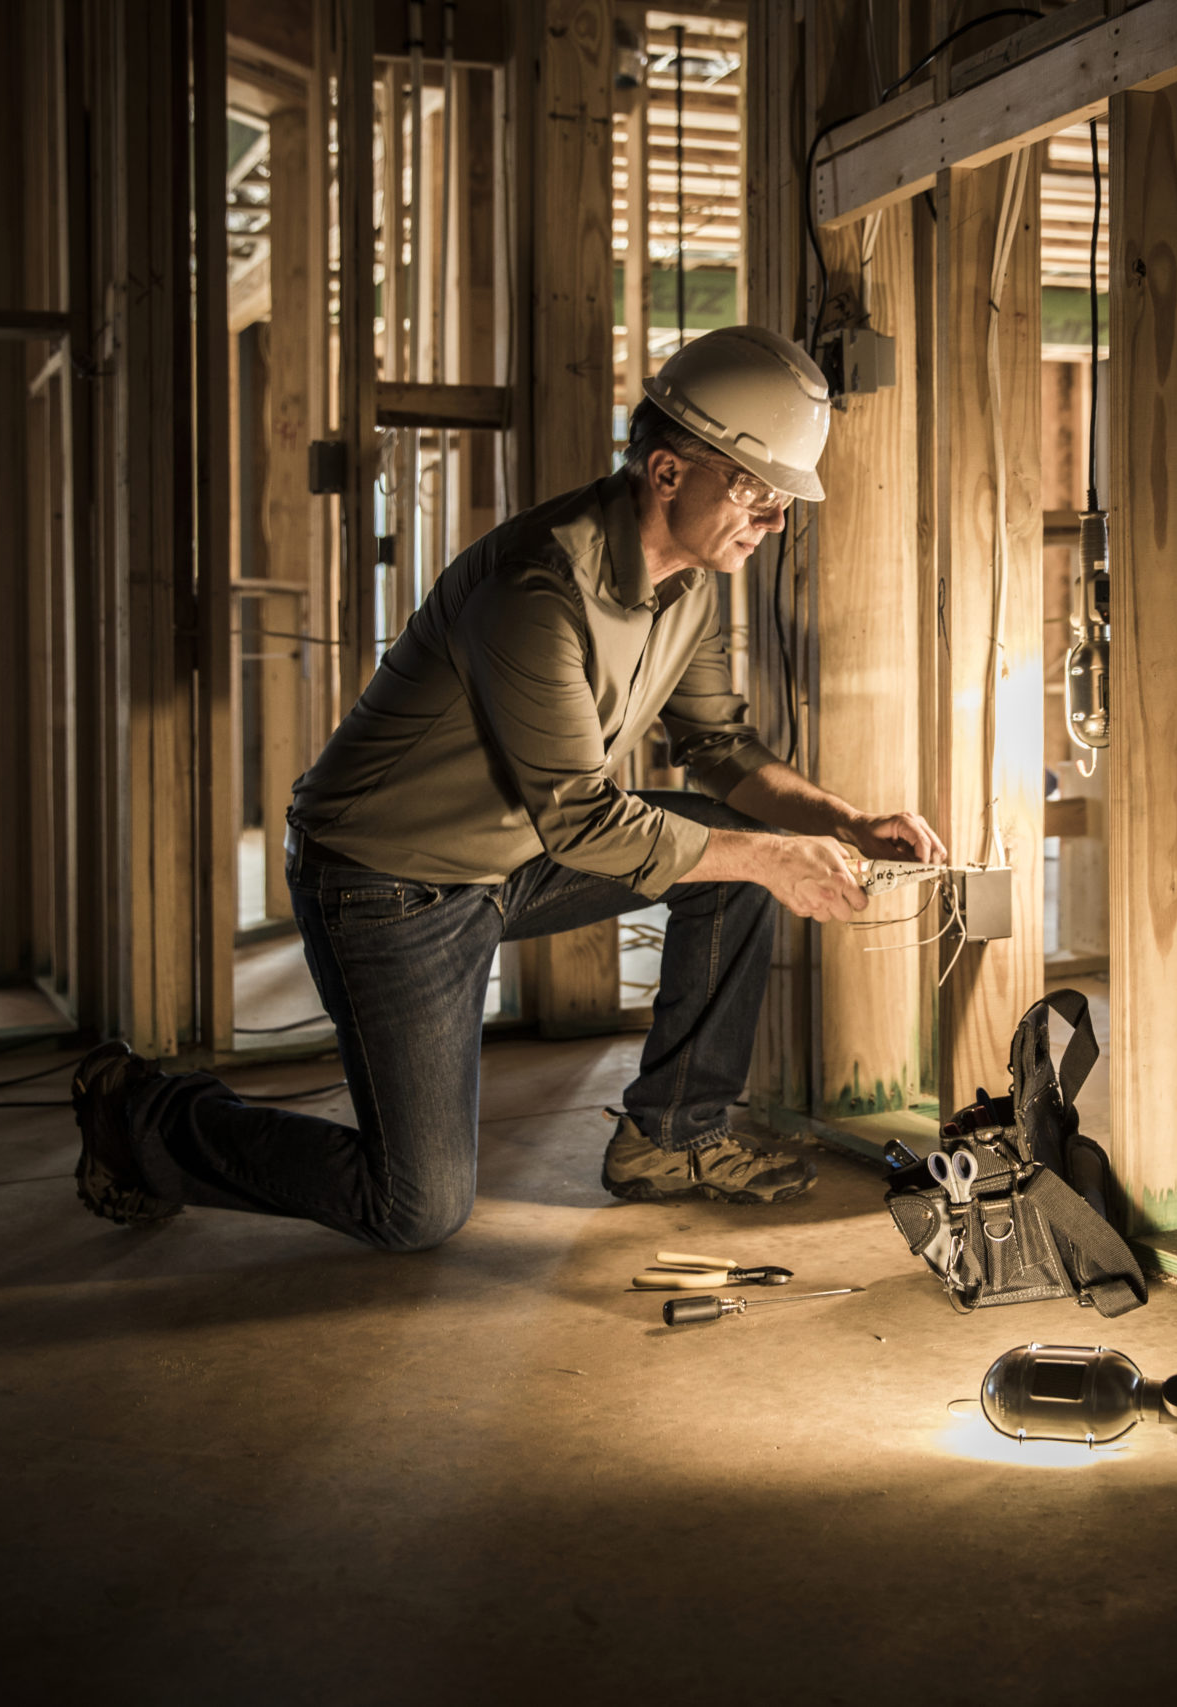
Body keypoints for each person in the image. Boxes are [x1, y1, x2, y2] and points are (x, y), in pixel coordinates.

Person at [67, 325, 946, 1251]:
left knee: (734, 851)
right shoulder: (538, 590)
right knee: (414, 1206)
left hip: (511, 859)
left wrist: (844, 823)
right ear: (667, 471)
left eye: (781, 502)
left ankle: (671, 1137)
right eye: (755, 491)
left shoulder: (690, 586)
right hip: (384, 884)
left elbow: (720, 748)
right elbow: (580, 818)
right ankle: (146, 1115)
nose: (772, 522)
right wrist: (771, 857)